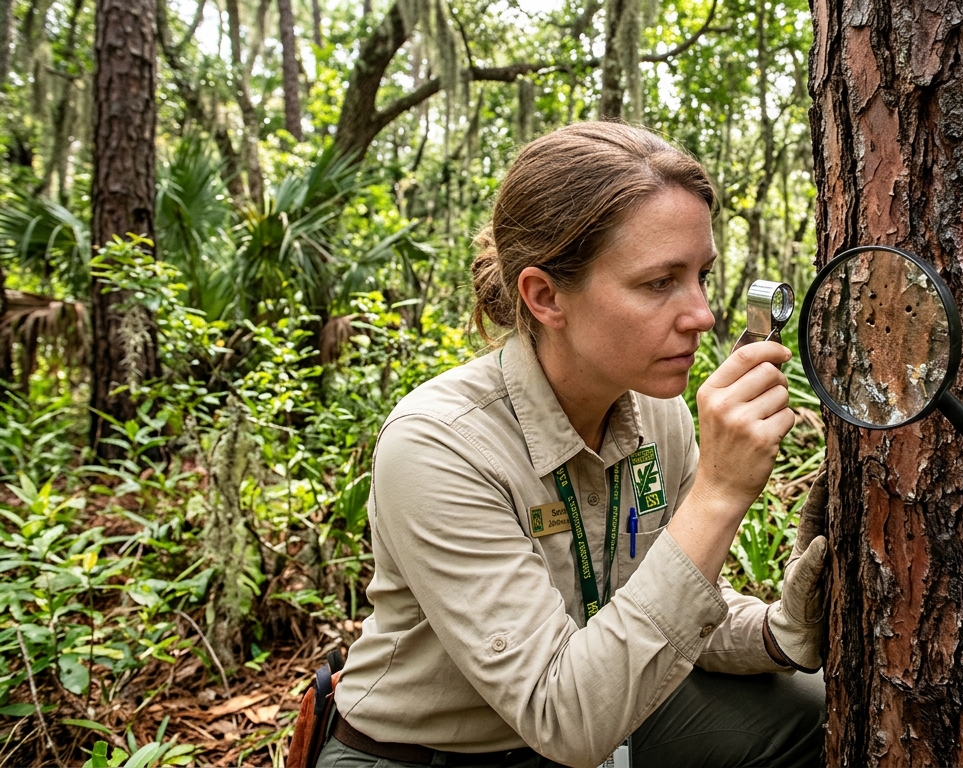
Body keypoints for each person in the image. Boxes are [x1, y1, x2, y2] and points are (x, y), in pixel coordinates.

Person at [318, 122, 829, 768]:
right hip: (426, 752)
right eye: (658, 283)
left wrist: (778, 632)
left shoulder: (659, 415)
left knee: (815, 714)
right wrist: (720, 492)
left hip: (605, 705)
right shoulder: (439, 445)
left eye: (701, 275)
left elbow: (666, 609)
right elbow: (563, 717)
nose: (701, 313)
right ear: (544, 296)